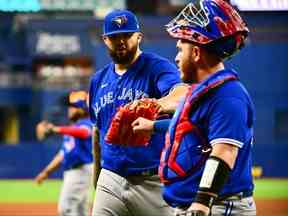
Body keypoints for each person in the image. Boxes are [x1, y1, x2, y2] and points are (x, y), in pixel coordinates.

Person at [132, 0, 256, 215]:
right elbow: (190, 128)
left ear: (197, 53)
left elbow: (224, 152)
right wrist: (152, 126)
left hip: (217, 207)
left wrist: (201, 202)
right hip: (200, 206)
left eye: (180, 49)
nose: (176, 57)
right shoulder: (202, 91)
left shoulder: (228, 96)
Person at [89, 9, 188, 216]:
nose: (121, 41)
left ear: (139, 37)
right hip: (110, 178)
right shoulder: (98, 80)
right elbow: (97, 132)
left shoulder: (156, 67)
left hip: (152, 181)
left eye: (127, 35)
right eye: (115, 37)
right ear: (105, 40)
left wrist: (156, 105)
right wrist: (97, 181)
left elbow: (182, 94)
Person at [35, 91, 93, 216]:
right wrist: (46, 172)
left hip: (81, 170)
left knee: (66, 209)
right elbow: (62, 155)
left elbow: (84, 133)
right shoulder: (72, 129)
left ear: (82, 110)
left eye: (72, 107)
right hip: (75, 172)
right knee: (79, 210)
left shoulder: (87, 123)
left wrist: (54, 129)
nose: (69, 110)